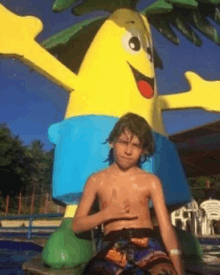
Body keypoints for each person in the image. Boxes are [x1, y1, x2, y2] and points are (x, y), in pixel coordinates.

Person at [72, 113, 184, 275]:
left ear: (143, 150)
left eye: (136, 146)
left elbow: (166, 227)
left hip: (148, 244)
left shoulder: (150, 181)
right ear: (112, 142)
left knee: (164, 273)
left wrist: (177, 266)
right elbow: (77, 225)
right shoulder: (96, 180)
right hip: (112, 245)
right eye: (123, 142)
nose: (128, 151)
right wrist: (107, 214)